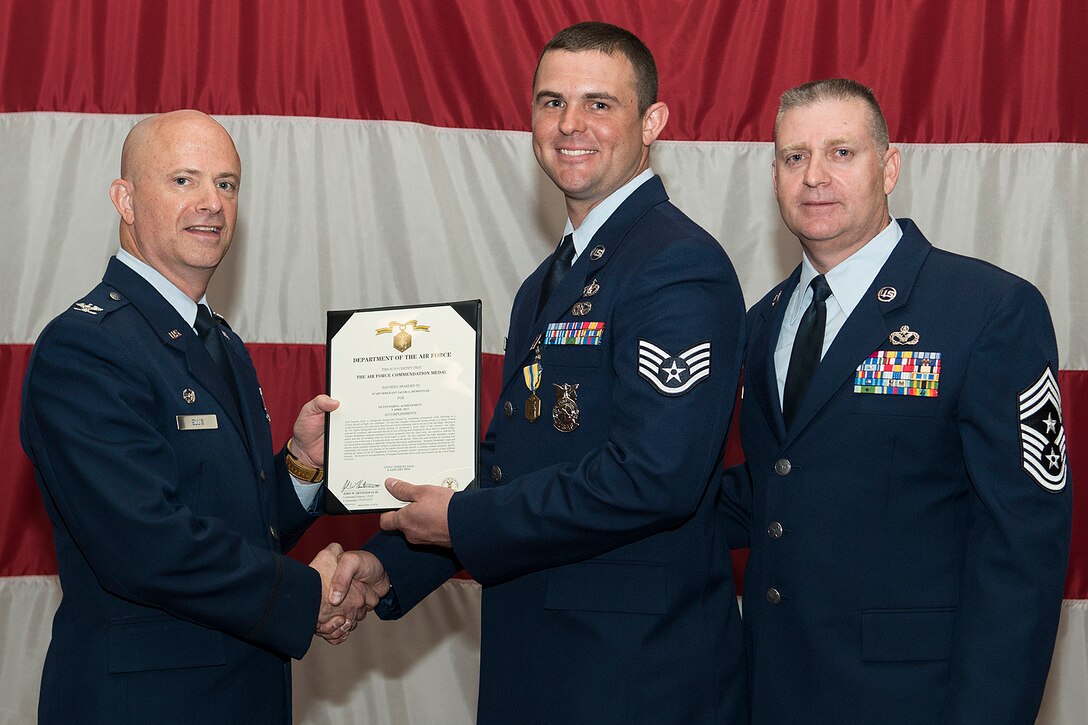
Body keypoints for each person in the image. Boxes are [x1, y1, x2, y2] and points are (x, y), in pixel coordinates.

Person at [329, 21, 748, 724]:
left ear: (652, 123)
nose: (570, 124)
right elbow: (506, 466)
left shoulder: (677, 265)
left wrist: (461, 520)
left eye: (598, 104)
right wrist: (389, 564)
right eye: (551, 102)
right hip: (541, 663)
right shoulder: (545, 283)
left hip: (634, 676)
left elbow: (654, 477)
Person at [720, 78, 1072, 723]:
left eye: (842, 153)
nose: (815, 176)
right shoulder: (761, 321)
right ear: (773, 175)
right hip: (772, 690)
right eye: (794, 157)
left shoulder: (988, 310)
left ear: (889, 167)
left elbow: (1024, 546)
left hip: (915, 700)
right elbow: (777, 487)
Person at [19, 110, 388, 724]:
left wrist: (300, 465)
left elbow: (237, 527)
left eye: (226, 184)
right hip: (144, 705)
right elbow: (145, 544)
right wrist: (306, 596)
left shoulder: (219, 342)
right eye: (184, 180)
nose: (211, 204)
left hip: (244, 694)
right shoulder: (85, 348)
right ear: (125, 200)